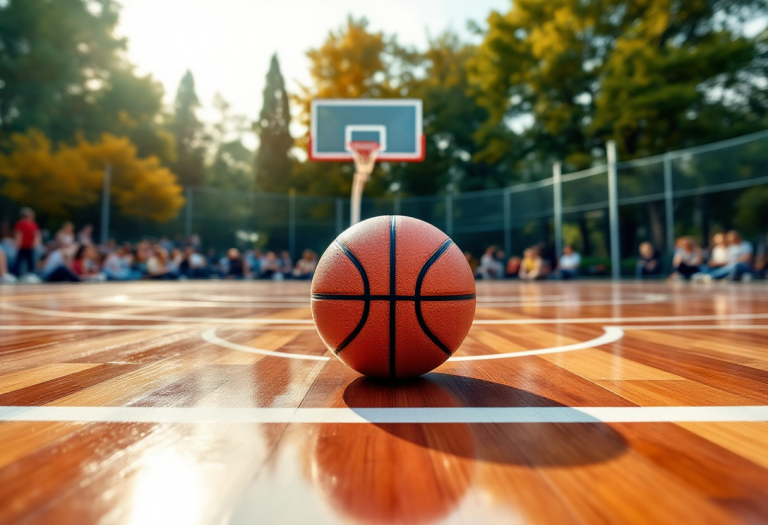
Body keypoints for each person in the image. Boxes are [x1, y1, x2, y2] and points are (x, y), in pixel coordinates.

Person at [13, 208, 40, 277]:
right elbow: (19, 234)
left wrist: (36, 243)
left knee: (29, 261)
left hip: (30, 246)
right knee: (19, 261)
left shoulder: (33, 225)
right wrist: (17, 244)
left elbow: (36, 235)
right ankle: (16, 274)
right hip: (23, 246)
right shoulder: (21, 224)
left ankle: (30, 274)